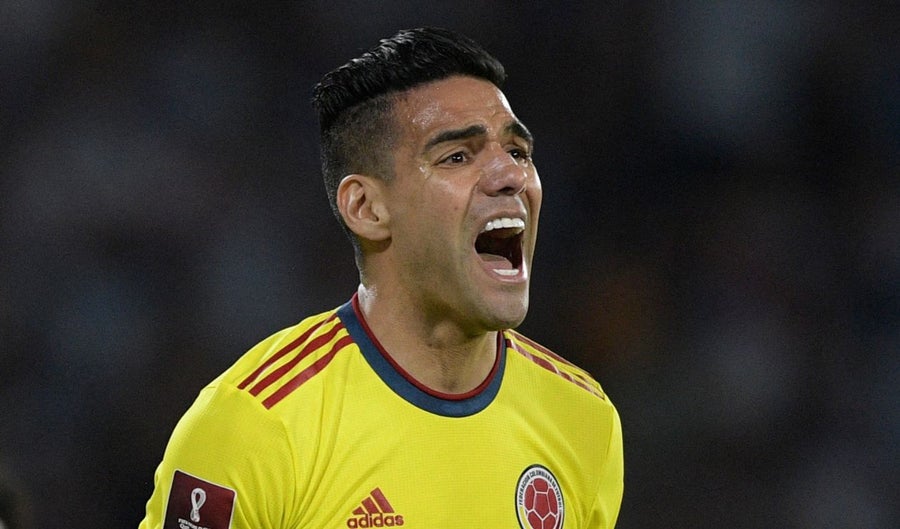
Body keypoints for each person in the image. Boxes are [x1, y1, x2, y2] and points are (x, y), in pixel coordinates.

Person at [139, 27, 623, 529]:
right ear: (366, 208)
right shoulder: (254, 426)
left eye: (518, 152)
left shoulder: (584, 420)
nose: (511, 176)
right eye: (457, 156)